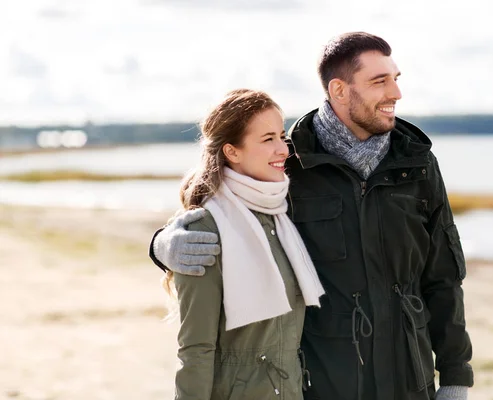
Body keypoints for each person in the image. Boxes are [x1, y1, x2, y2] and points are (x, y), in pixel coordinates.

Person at [152, 32, 474, 400]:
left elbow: (444, 278)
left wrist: (455, 376)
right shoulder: (291, 162)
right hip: (322, 382)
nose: (396, 94)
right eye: (379, 81)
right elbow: (222, 199)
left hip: (409, 379)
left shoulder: (418, 164)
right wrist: (162, 245)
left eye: (395, 79)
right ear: (339, 90)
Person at [162, 88, 325, 399]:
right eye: (267, 139)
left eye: (281, 135)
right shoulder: (204, 230)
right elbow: (196, 349)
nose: (283, 150)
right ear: (232, 152)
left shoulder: (281, 215)